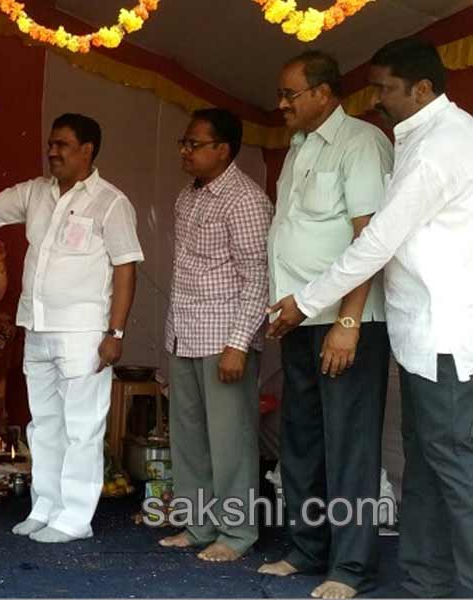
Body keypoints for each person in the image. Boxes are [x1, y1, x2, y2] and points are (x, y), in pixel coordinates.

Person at [268, 37, 473, 599]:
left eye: (383, 88)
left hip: (441, 332)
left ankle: (424, 579)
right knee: (426, 467)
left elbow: (375, 241)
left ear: (423, 88)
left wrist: (319, 307)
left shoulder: (438, 145)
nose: (375, 99)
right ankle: (427, 583)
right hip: (414, 336)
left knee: (452, 469)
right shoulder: (418, 138)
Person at [0, 113, 144, 543]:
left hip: (84, 332)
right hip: (36, 327)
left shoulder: (111, 202)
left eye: (62, 145)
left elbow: (126, 269)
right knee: (45, 423)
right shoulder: (36, 192)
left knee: (82, 425)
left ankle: (75, 518)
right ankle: (46, 506)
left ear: (87, 150)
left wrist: (116, 334)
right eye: (50, 144)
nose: (52, 151)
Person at [258, 51, 394, 600]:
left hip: (346, 322)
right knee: (303, 439)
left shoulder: (361, 143)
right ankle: (308, 549)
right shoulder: (297, 148)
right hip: (299, 319)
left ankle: (352, 567)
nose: (281, 103)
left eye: (291, 94)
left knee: (350, 446)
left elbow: (370, 240)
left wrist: (347, 320)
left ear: (324, 93)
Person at [158, 109, 272, 562]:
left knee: (231, 441)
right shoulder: (187, 196)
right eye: (184, 143)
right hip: (184, 333)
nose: (184, 151)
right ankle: (199, 524)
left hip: (226, 340)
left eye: (193, 144)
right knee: (188, 437)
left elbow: (257, 278)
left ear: (222, 149)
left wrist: (239, 344)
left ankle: (238, 533)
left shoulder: (245, 200)